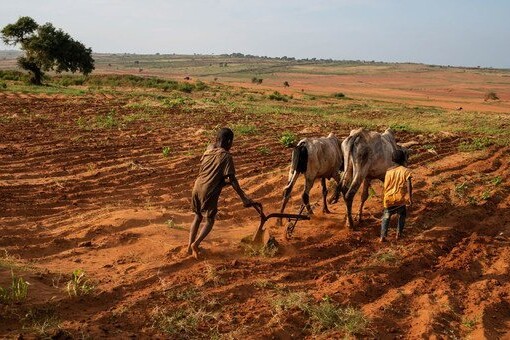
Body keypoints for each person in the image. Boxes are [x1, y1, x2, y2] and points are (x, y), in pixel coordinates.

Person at [187, 127, 257, 259]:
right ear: (229, 141)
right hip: (208, 190)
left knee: (197, 217)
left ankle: (189, 247)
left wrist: (222, 182)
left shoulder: (209, 149)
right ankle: (196, 244)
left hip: (197, 187)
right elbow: (232, 179)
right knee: (210, 220)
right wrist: (244, 198)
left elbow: (211, 172)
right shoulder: (226, 156)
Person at [380, 149, 413, 242]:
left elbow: (385, 186)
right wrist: (410, 198)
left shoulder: (388, 171)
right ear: (403, 159)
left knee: (386, 216)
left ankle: (382, 236)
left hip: (388, 198)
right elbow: (409, 185)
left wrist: (383, 197)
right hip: (400, 199)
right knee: (402, 215)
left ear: (392, 159)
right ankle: (399, 234)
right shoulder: (406, 171)